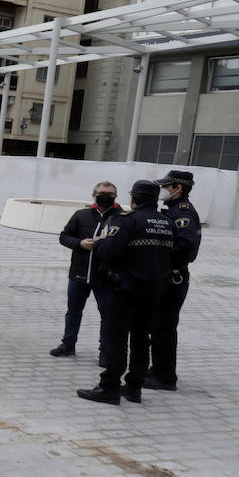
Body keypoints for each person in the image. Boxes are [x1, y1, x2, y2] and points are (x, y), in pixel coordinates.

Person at [77, 180, 174, 405]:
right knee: (141, 340)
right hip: (154, 291)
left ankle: (109, 388)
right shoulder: (167, 222)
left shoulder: (127, 221)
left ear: (133, 198)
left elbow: (110, 252)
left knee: (116, 339)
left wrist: (100, 243)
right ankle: (134, 388)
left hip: (126, 289)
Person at [50, 181, 121, 363]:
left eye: (110, 193)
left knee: (107, 315)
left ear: (116, 197)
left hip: (106, 276)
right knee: (73, 311)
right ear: (93, 195)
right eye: (102, 193)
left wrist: (105, 244)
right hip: (79, 274)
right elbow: (64, 236)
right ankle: (68, 343)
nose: (106, 196)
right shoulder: (81, 215)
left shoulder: (121, 217)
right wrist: (80, 244)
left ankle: (105, 351)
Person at [146, 169, 202, 392]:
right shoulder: (174, 210)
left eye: (166, 187)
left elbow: (185, 248)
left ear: (178, 188)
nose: (162, 190)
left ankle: (165, 377)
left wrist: (160, 255)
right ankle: (159, 368)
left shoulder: (182, 213)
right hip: (168, 275)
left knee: (163, 328)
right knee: (159, 326)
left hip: (172, 277)